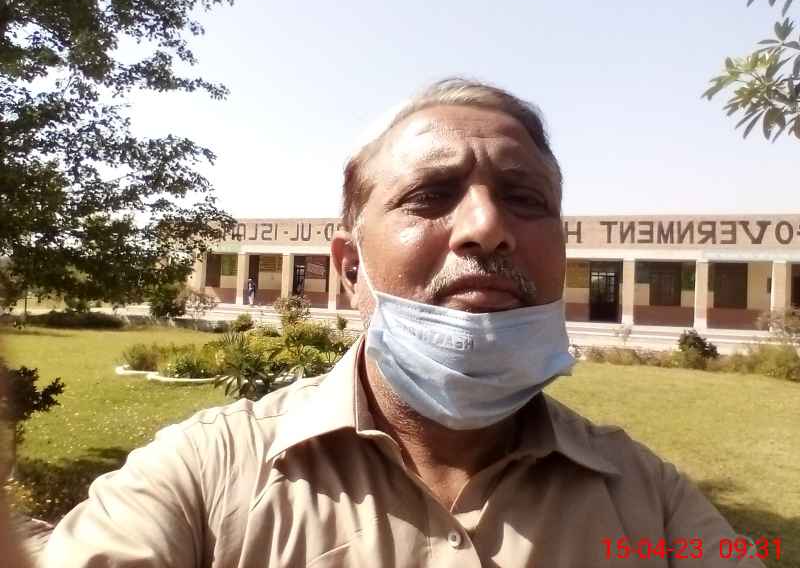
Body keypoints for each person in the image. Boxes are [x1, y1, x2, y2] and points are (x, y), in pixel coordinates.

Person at [42, 79, 762, 567]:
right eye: (431, 194)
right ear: (350, 268)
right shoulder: (205, 478)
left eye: (524, 198)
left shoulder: (650, 503)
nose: (486, 227)